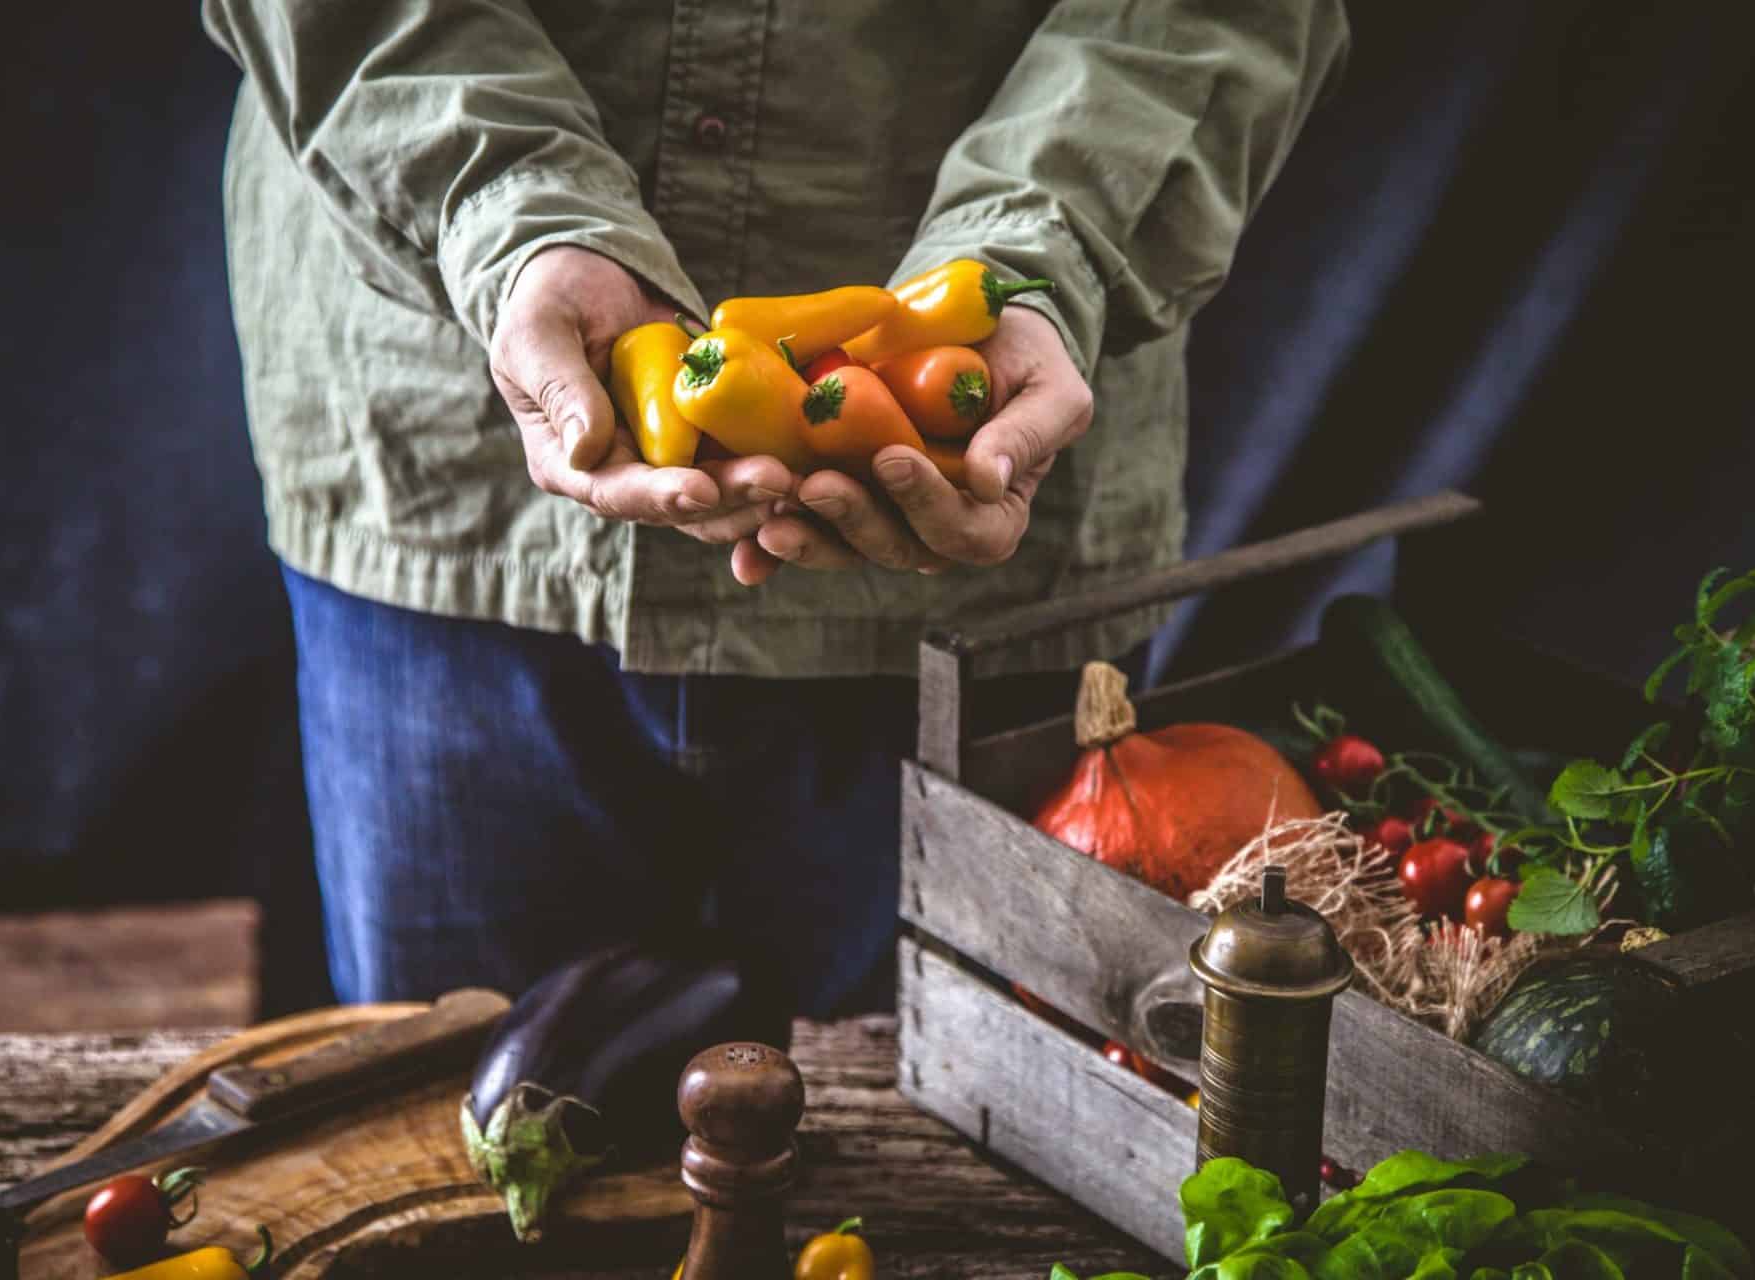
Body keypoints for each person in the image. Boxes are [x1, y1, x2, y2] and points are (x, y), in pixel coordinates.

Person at [200, 1, 1350, 1016]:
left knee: (964, 1169)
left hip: (994, 523)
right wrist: (512, 215)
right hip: (446, 477)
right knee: (455, 1144)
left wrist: (1044, 247)